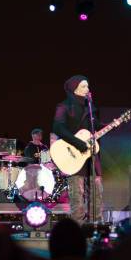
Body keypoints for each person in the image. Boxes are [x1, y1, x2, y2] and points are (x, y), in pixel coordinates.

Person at [52, 75, 103, 223]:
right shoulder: (64, 106)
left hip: (90, 156)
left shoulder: (90, 108)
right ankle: (77, 228)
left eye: (88, 86)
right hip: (73, 156)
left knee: (97, 193)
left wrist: (114, 124)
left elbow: (96, 127)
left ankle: (96, 227)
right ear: (74, 89)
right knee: (77, 196)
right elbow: (58, 127)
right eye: (84, 86)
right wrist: (77, 143)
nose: (88, 89)